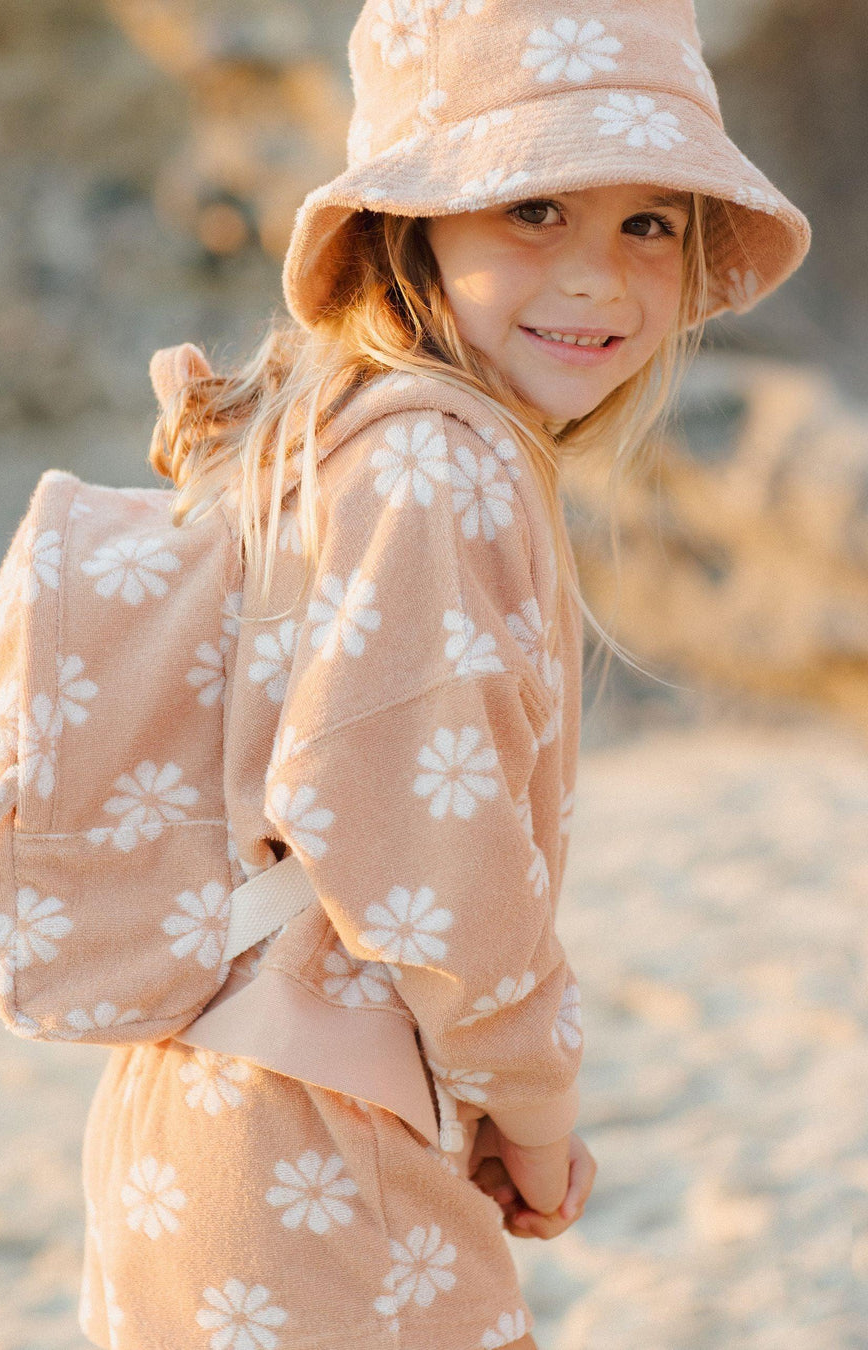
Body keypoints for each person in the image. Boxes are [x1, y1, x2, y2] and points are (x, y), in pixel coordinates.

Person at [74, 2, 810, 1348]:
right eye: (532, 208)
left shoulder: (342, 427)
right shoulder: (443, 461)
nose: (597, 277)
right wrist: (534, 1107)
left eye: (651, 221)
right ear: (409, 228)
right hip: (312, 1140)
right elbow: (417, 837)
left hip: (219, 1110)